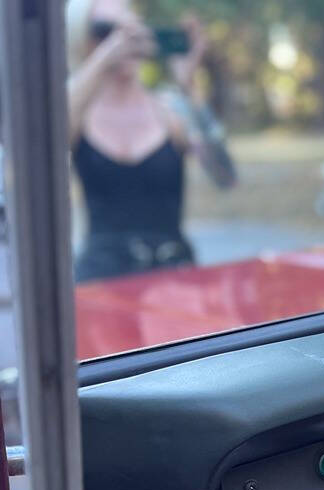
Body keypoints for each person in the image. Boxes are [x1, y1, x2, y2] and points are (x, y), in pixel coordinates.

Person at [65, 0, 234, 282]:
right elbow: (42, 144)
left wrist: (189, 85)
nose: (123, 40)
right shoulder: (78, 115)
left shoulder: (170, 109)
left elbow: (225, 176)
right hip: (100, 281)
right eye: (104, 31)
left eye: (130, 28)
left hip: (174, 278)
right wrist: (105, 59)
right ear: (81, 40)